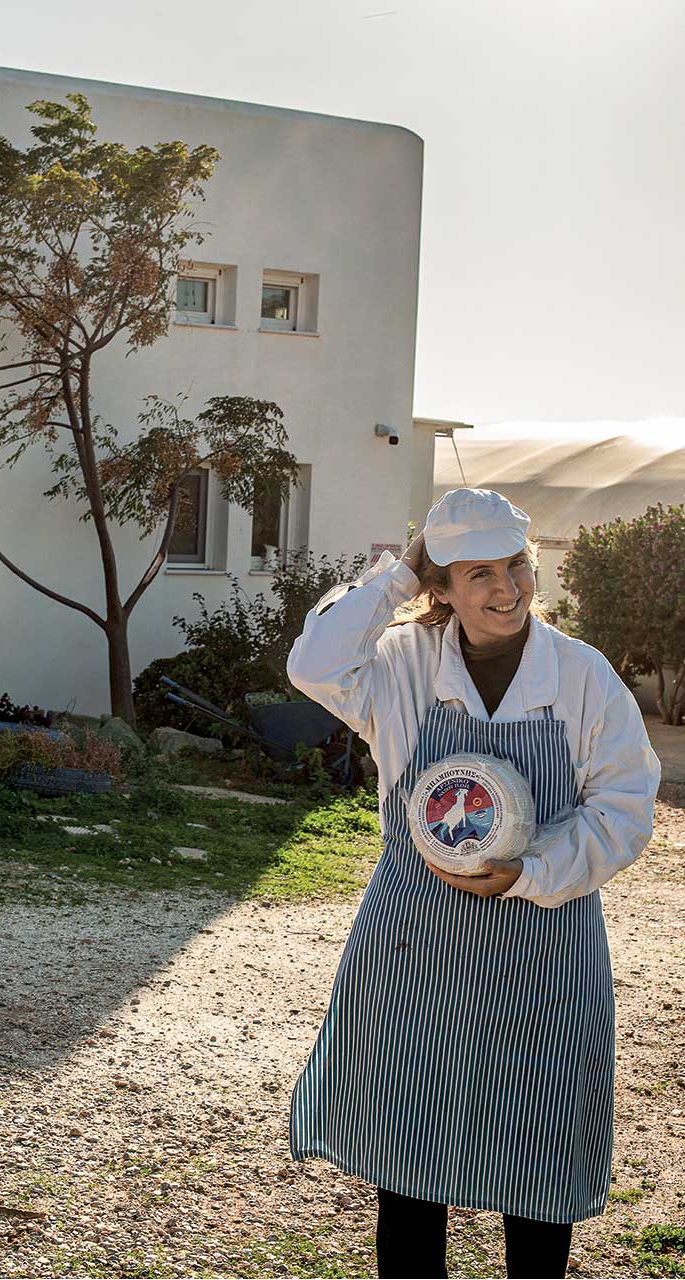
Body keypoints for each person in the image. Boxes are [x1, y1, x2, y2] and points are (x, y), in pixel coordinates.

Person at [286, 488, 660, 1280]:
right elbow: (313, 662)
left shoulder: (583, 675)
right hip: (416, 947)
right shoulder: (399, 666)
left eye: (516, 566)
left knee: (540, 1175)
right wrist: (395, 577)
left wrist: (531, 869)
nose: (506, 589)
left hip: (547, 952)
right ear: (441, 588)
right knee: (409, 1170)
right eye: (478, 572)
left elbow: (624, 809)